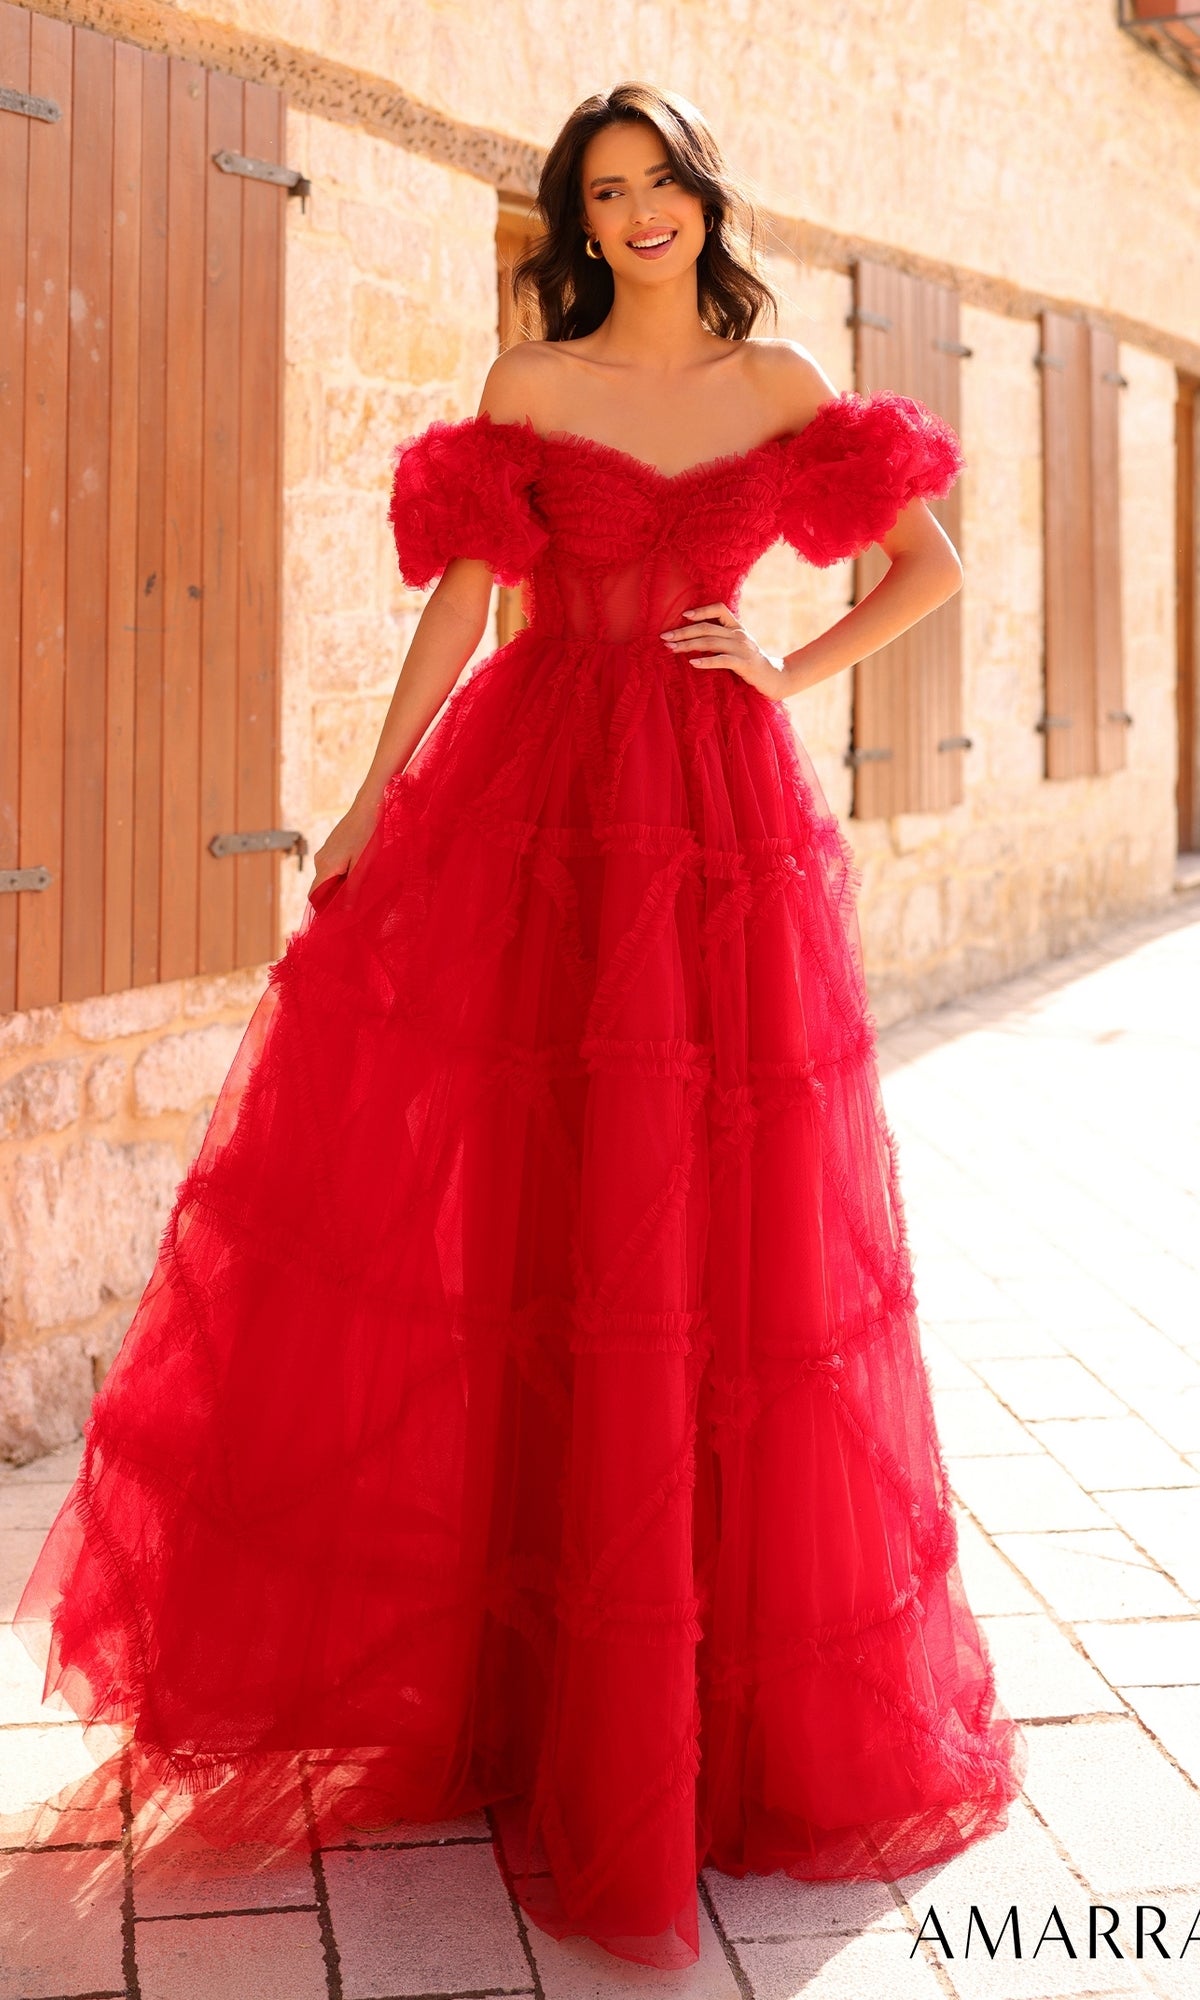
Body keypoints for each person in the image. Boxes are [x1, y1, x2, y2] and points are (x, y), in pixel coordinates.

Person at [16, 80, 1023, 1973]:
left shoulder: (783, 380)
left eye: (661, 183)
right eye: (606, 191)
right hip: (535, 811)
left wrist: (782, 665)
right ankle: (520, 1681)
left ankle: (690, 1711)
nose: (637, 213)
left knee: (717, 1228)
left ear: (706, 198)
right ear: (579, 219)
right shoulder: (532, 381)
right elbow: (464, 610)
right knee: (530, 1222)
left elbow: (929, 569)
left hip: (714, 831)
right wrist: (369, 798)